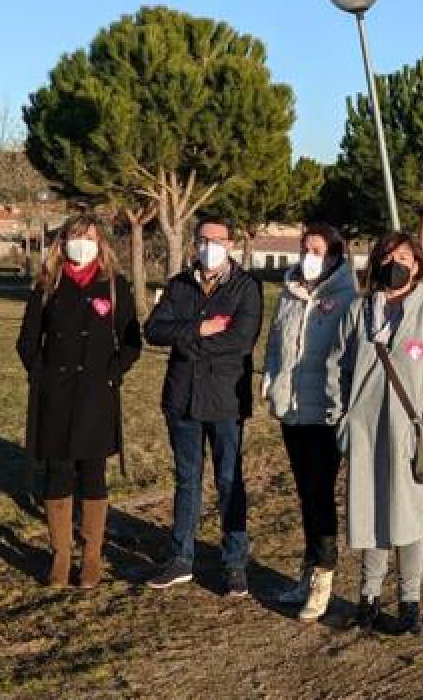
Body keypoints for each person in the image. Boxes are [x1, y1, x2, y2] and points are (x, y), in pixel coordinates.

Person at [325, 231, 423, 635]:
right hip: (365, 431)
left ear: (418, 264)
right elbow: (338, 366)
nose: (395, 261)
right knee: (370, 514)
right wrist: (341, 418)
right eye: (388, 255)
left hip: (410, 432)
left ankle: (409, 603)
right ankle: (367, 598)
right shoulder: (358, 311)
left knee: (410, 519)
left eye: (404, 255)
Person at [16, 214, 142, 588]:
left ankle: (91, 557)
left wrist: (111, 373)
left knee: (92, 474)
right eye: (74, 236)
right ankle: (59, 555)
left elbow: (131, 342)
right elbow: (27, 341)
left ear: (101, 243)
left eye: (88, 237)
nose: (81, 243)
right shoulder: (46, 286)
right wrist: (42, 376)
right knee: (58, 473)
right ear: (62, 242)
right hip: (55, 396)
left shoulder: (115, 286)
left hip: (96, 397)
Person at [144, 216, 263, 597]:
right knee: (186, 480)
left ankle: (234, 563)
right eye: (203, 239)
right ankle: (181, 557)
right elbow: (154, 330)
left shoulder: (247, 288)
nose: (209, 246)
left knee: (229, 481)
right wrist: (197, 329)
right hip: (182, 400)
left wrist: (188, 342)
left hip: (226, 399)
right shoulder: (180, 284)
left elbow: (241, 341)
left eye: (217, 240)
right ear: (195, 244)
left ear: (230, 244)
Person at [262, 223, 357, 621]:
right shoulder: (290, 292)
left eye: (317, 250)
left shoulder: (348, 299)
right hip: (292, 410)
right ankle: (307, 572)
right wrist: (270, 381)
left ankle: (323, 578)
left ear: (335, 257)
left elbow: (350, 357)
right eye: (305, 248)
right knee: (305, 495)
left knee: (320, 496)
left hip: (325, 414)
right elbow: (276, 342)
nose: (308, 256)